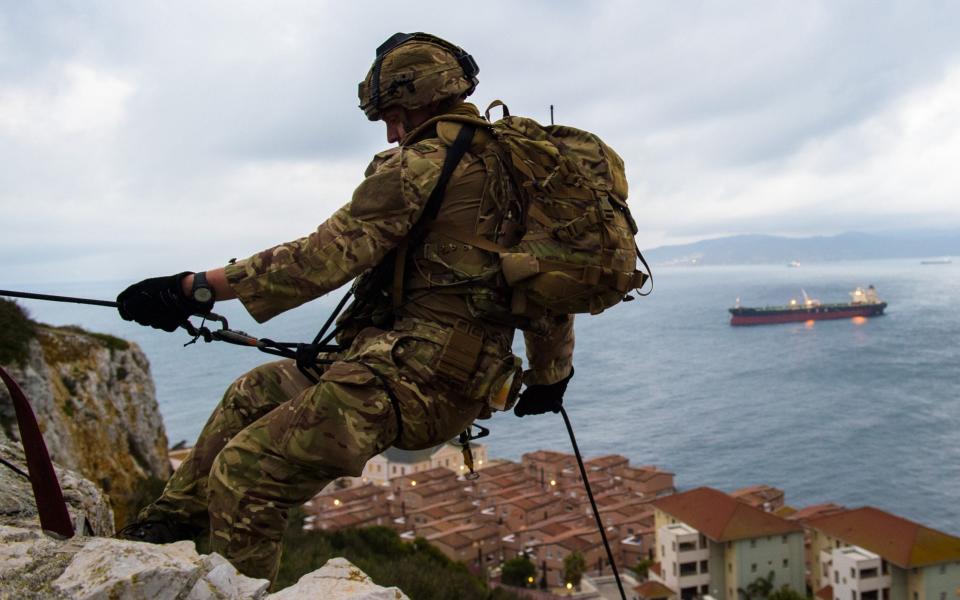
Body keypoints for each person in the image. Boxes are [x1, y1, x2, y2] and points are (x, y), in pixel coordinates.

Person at [115, 32, 574, 582]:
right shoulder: (516, 171)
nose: (389, 130)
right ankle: (167, 524)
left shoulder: (423, 166)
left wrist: (191, 288)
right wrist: (550, 376)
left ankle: (239, 594)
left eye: (395, 114)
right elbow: (548, 290)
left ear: (422, 98)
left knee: (246, 475)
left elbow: (319, 259)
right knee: (251, 393)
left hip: (415, 381)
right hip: (444, 376)